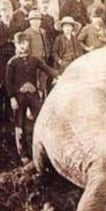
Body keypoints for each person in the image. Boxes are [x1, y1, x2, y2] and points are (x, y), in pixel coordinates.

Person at [5, 32, 58, 165]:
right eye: (20, 44)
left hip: (33, 96)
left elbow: (47, 69)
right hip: (19, 97)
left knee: (41, 120)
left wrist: (59, 75)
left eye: (25, 43)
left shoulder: (34, 60)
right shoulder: (12, 62)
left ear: (28, 44)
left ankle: (44, 151)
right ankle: (23, 154)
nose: (23, 46)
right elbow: (8, 82)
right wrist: (12, 98)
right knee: (20, 125)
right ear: (16, 45)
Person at [24, 10, 53, 98]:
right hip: (33, 63)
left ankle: (41, 102)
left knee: (42, 83)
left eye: (38, 20)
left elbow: (47, 45)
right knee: (34, 83)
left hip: (43, 61)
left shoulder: (43, 32)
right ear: (30, 21)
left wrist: (46, 54)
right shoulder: (27, 33)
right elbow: (26, 50)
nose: (36, 22)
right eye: (33, 20)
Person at [0, 2, 16, 121]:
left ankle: (9, 114)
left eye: (8, 11)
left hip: (11, 61)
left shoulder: (15, 26)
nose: (6, 13)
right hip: (0, 61)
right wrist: (8, 41)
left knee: (10, 85)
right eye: (4, 11)